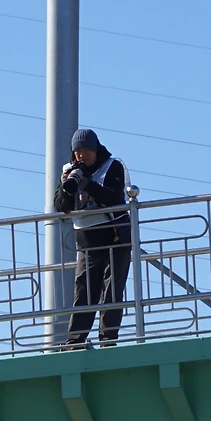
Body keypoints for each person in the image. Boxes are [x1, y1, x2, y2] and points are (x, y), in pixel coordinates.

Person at [53, 127, 131, 349]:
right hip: (86, 242)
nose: (81, 155)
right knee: (83, 292)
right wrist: (69, 185)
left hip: (115, 236)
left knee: (112, 291)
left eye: (86, 150)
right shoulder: (69, 171)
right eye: (77, 151)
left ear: (95, 149)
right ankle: (75, 341)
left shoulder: (112, 166)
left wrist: (88, 184)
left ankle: (107, 340)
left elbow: (114, 198)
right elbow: (60, 207)